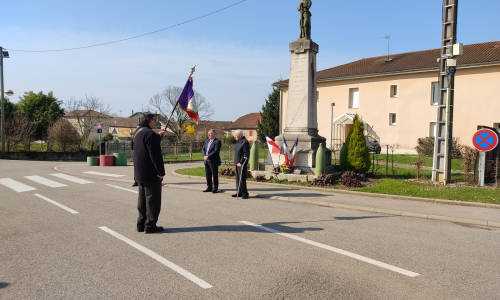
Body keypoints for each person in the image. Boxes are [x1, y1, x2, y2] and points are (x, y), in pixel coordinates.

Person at [133, 113, 166, 234]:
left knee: (142, 200)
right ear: (149, 121)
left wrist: (158, 137)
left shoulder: (138, 132)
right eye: (154, 120)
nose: (155, 122)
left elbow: (142, 149)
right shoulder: (150, 134)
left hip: (140, 173)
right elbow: (155, 156)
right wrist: (161, 172)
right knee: (153, 200)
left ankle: (141, 224)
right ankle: (150, 225)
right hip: (151, 173)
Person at [202, 129, 221, 193]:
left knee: (214, 175)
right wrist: (204, 155)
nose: (209, 135)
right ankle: (209, 187)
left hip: (213, 161)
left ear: (214, 134)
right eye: (208, 134)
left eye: (211, 134)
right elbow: (203, 149)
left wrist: (208, 156)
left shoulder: (217, 141)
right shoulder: (206, 141)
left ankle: (215, 188)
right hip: (206, 160)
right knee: (208, 174)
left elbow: (216, 151)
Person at [233, 130, 250, 199]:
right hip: (237, 163)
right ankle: (239, 192)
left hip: (241, 163)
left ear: (240, 135)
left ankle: (245, 193)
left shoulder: (245, 142)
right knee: (237, 178)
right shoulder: (239, 141)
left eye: (236, 135)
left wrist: (241, 162)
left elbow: (246, 154)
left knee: (242, 179)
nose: (235, 136)